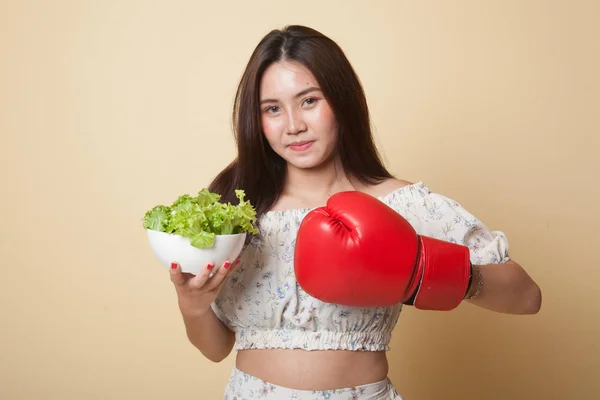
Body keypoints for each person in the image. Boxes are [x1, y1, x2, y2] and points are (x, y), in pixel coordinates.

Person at [167, 25, 542, 399]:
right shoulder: (238, 210)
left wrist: (421, 272)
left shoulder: (400, 205)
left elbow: (527, 297)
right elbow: (216, 349)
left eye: (309, 100)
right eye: (273, 109)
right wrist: (193, 306)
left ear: (341, 100)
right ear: (257, 120)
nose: (294, 126)